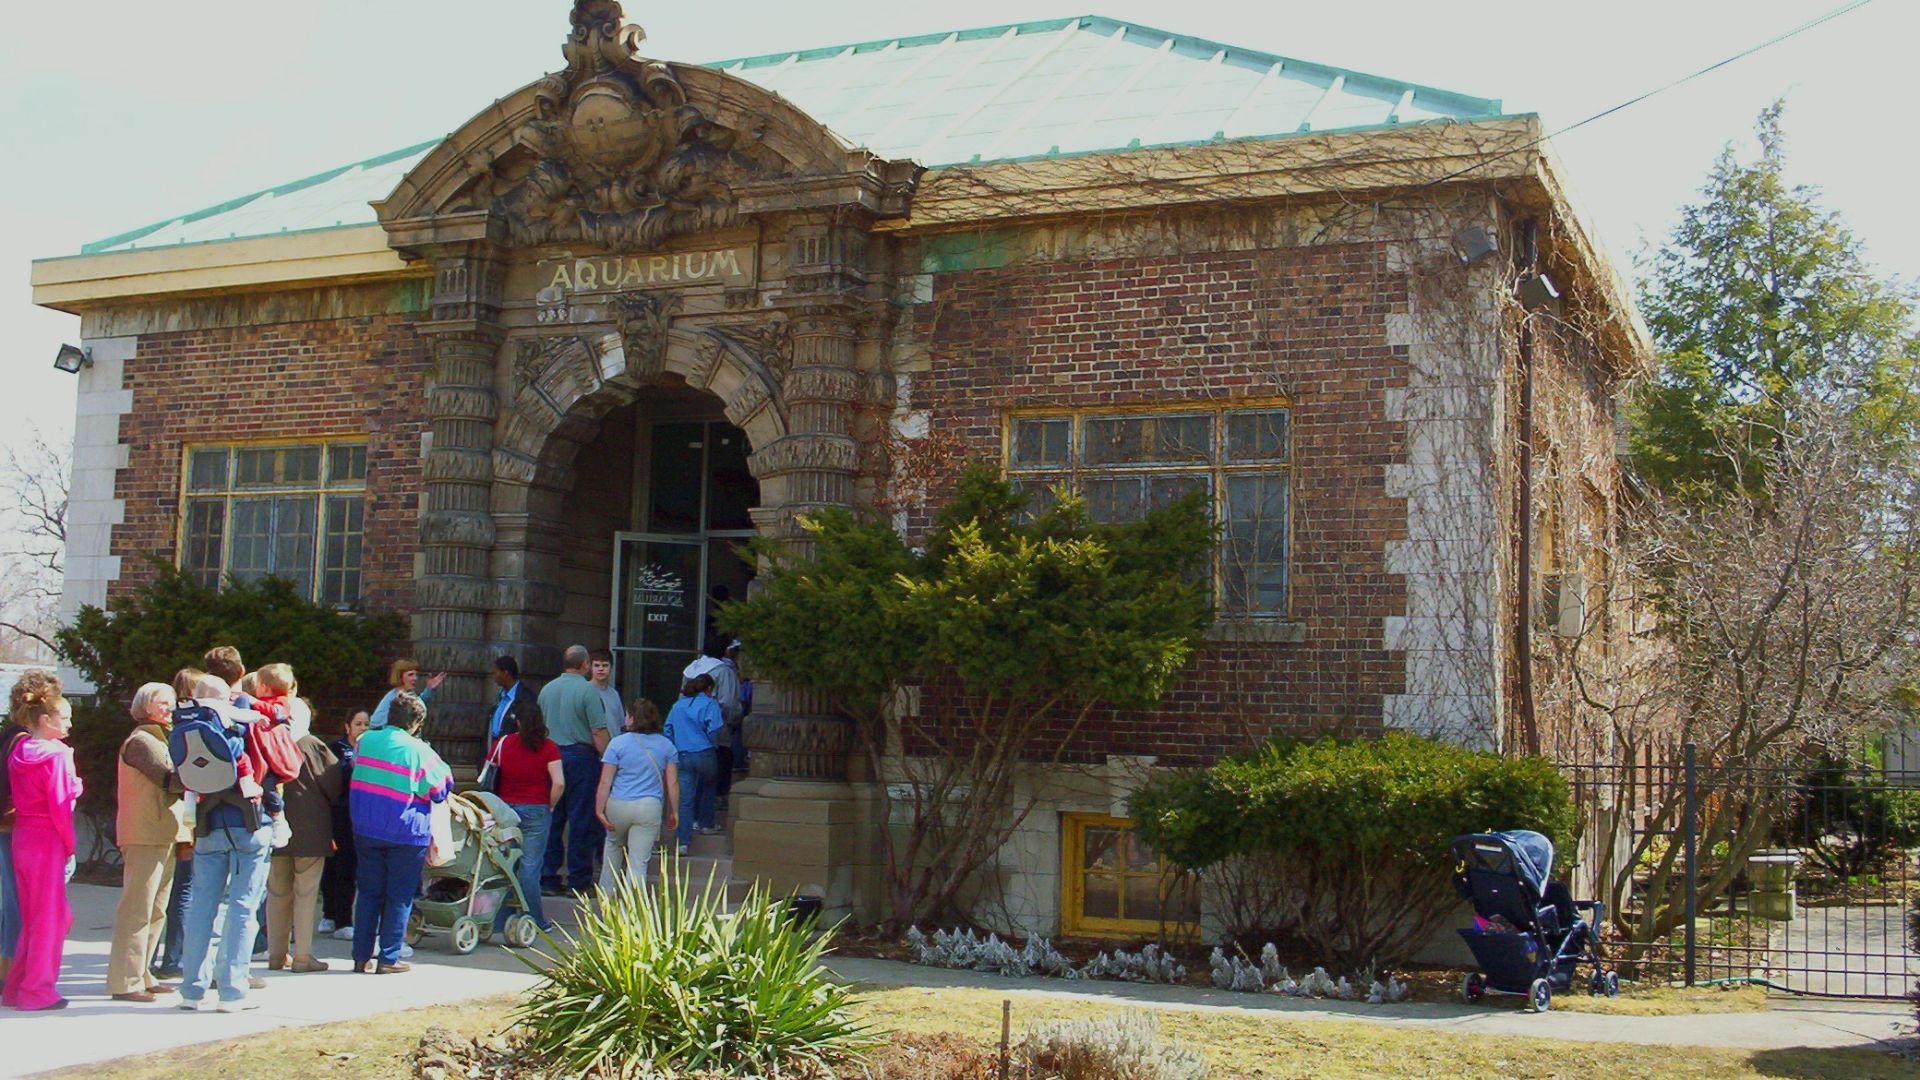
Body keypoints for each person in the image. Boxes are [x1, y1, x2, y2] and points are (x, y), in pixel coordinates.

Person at [175, 672, 272, 1013]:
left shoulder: (184, 728)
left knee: (202, 907)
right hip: (245, 824)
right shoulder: (229, 725)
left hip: (207, 825)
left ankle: (192, 989)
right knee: (243, 907)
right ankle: (232, 990)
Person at [351, 692, 452, 975]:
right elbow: (440, 789)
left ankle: (360, 956)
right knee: (399, 895)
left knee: (369, 892)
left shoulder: (364, 742)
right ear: (417, 723)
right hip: (406, 832)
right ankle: (389, 957)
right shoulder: (420, 751)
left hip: (365, 826)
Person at [106, 682, 189, 1002]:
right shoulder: (143, 740)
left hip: (162, 833)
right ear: (144, 706)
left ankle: (142, 972)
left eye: (172, 702)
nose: (169, 708)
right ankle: (124, 981)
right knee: (137, 909)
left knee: (157, 910)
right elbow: (171, 778)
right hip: (143, 834)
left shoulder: (163, 738)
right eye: (162, 702)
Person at [1, 672, 77, 1011]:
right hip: (46, 837)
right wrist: (70, 843)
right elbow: (60, 805)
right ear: (46, 718)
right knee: (51, 916)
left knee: (30, 917)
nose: (69, 724)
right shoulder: (57, 754)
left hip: (22, 836)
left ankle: (17, 985)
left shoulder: (18, 749)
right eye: (65, 717)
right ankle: (38, 989)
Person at [266, 725, 342, 973]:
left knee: (277, 893)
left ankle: (276, 955)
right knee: (306, 894)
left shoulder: (269, 738)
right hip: (311, 831)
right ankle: (302, 956)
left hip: (276, 827)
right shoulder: (312, 745)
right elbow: (334, 783)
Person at [537, 645, 613, 894]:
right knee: (582, 819)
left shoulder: (546, 690)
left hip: (550, 756)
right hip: (581, 757)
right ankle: (578, 880)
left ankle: (548, 877)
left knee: (553, 817)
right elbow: (598, 732)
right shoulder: (588, 691)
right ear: (586, 665)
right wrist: (611, 760)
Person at [484, 700, 561, 938]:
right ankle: (536, 918)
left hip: (506, 809)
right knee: (530, 866)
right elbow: (559, 782)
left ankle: (498, 919)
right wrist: (550, 804)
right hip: (537, 807)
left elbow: (488, 771)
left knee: (505, 864)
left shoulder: (503, 743)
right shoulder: (549, 747)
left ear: (516, 721)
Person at [149, 668, 203, 982]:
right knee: (183, 890)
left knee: (172, 891)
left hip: (178, 815)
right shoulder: (189, 730)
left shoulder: (173, 729)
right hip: (188, 816)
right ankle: (173, 958)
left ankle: (166, 957)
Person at [596, 698, 678, 892]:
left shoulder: (617, 743)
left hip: (618, 804)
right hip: (649, 806)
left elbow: (605, 781)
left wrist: (600, 809)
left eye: (627, 714)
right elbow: (672, 783)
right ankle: (633, 911)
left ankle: (606, 903)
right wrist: (674, 811)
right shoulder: (667, 746)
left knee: (613, 847)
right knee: (639, 862)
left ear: (632, 719)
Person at [0, 673, 37, 987]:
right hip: (17, 825)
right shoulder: (25, 742)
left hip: (5, 824)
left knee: (10, 900)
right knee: (19, 903)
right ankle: (12, 971)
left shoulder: (7, 734)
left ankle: (7, 967)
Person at [663, 671, 725, 856]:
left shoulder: (678, 706)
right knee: (708, 785)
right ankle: (706, 823)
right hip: (704, 751)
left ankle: (683, 841)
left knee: (685, 798)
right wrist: (711, 743)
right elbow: (714, 728)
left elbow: (668, 729)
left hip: (682, 754)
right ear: (709, 688)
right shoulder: (710, 704)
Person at [319, 709, 369, 938]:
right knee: (331, 866)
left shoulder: (371, 750)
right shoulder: (335, 749)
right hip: (336, 812)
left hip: (358, 814)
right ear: (347, 726)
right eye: (358, 724)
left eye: (366, 724)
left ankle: (344, 919)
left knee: (349, 867)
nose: (362, 728)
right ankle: (329, 914)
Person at [709, 641, 744, 805]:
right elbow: (728, 702)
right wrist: (731, 721)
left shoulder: (696, 669)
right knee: (723, 759)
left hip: (703, 730)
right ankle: (719, 796)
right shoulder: (726, 672)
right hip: (721, 725)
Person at [370, 660, 447, 730]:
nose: (415, 678)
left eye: (416, 674)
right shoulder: (393, 697)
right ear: (400, 676)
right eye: (410, 675)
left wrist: (429, 689)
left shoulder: (409, 694)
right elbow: (375, 724)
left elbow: (417, 706)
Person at [488, 656, 532, 743]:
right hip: (494, 746)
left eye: (496, 672)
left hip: (511, 748)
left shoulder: (525, 698)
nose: (494, 676)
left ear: (505, 673)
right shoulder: (500, 697)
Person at [587, 649, 624, 746]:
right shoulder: (584, 691)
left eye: (605, 665)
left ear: (611, 667)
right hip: (590, 748)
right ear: (590, 667)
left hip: (614, 747)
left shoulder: (614, 694)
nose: (601, 669)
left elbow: (620, 723)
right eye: (596, 665)